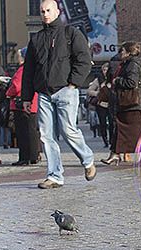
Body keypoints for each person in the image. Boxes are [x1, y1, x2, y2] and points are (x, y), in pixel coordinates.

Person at [21, 0, 95, 189]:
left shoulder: (71, 33)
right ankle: (55, 176)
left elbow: (84, 60)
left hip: (66, 91)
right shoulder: (36, 39)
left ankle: (87, 160)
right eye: (42, 11)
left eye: (48, 10)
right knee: (46, 136)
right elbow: (28, 70)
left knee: (68, 130)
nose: (45, 14)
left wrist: (73, 83)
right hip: (44, 94)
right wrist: (27, 98)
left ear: (57, 11)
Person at [104, 41, 141, 165]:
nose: (120, 54)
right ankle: (115, 154)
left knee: (138, 132)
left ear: (128, 52)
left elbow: (131, 83)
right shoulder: (126, 64)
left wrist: (117, 80)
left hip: (134, 104)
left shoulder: (132, 64)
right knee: (120, 129)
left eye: (122, 51)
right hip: (127, 104)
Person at [6, 47, 40, 165]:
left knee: (23, 132)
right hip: (33, 104)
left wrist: (8, 93)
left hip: (21, 104)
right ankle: (34, 155)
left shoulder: (22, 69)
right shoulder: (33, 68)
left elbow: (16, 86)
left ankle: (25, 157)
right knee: (32, 131)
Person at [86, 62, 111, 147]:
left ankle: (111, 140)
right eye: (103, 70)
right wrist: (98, 93)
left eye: (107, 70)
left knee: (112, 123)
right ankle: (105, 140)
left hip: (111, 104)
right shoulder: (98, 80)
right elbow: (89, 91)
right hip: (101, 105)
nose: (105, 72)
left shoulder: (112, 79)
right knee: (102, 123)